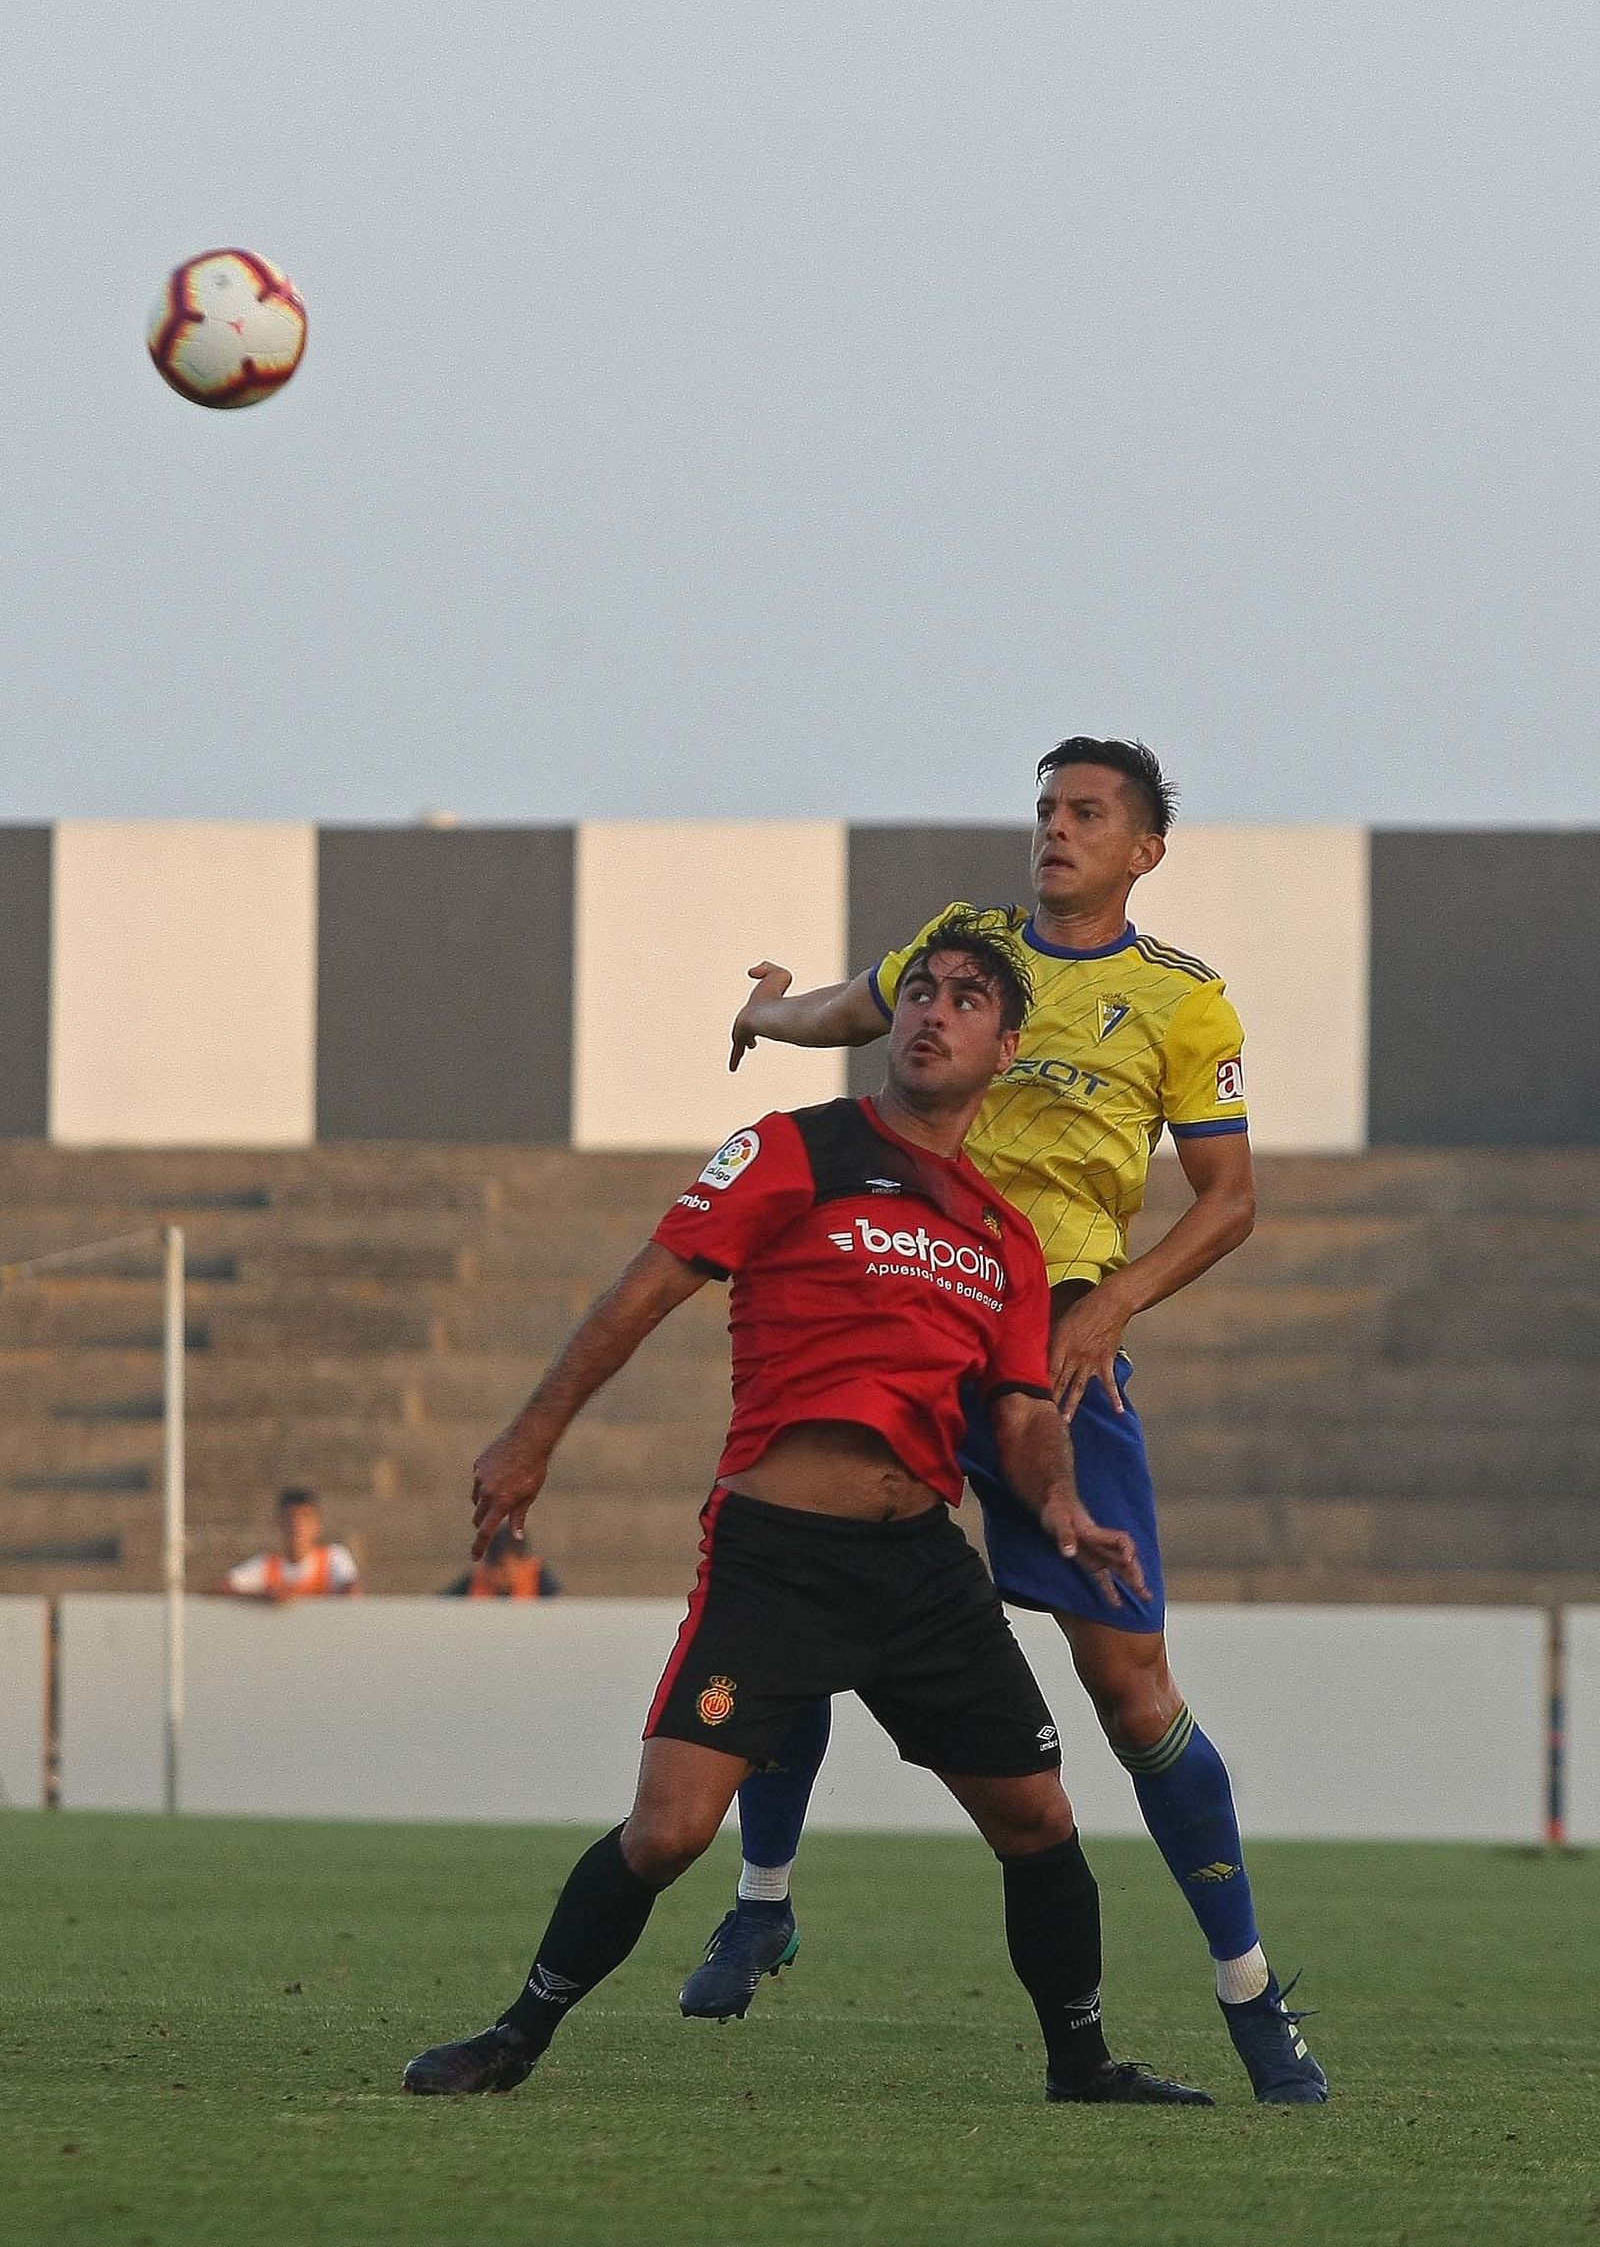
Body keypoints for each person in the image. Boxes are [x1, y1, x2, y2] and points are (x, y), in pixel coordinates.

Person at [402, 918, 1210, 2107]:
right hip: (775, 1558)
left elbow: (1025, 1409)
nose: (934, 1011)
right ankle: (517, 2035)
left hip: (919, 1572)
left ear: (1008, 1047)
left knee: (1039, 1820)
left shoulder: (1004, 1234)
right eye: (920, 991)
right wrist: (531, 1436)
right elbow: (644, 1292)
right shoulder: (794, 1148)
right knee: (669, 1831)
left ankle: (1081, 2066)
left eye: (966, 1000)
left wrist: (1061, 1506)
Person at [685, 737, 1327, 2106]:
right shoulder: (967, 951)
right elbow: (855, 1011)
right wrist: (773, 1008)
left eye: (1089, 812)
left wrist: (1112, 1309)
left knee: (1131, 1688)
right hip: (910, 1313)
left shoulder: (1183, 1002)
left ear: (1146, 847)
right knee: (801, 1585)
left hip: (1061, 1338)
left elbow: (1230, 1199)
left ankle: (1253, 1994)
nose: (1057, 828)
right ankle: (761, 1898)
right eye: (1047, 807)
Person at [219, 1488, 360, 1600]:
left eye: (305, 1517)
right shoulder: (267, 1564)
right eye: (290, 1518)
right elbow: (221, 1588)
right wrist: (263, 1596)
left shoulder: (333, 1557)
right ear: (279, 1523)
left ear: (317, 1524)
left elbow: (351, 1590)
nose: (297, 1525)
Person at [440, 1524, 562, 1598]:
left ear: (522, 1562)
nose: (497, 1574)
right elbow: (440, 1605)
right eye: (492, 1567)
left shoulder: (542, 1581)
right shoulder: (472, 1582)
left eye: (504, 1566)